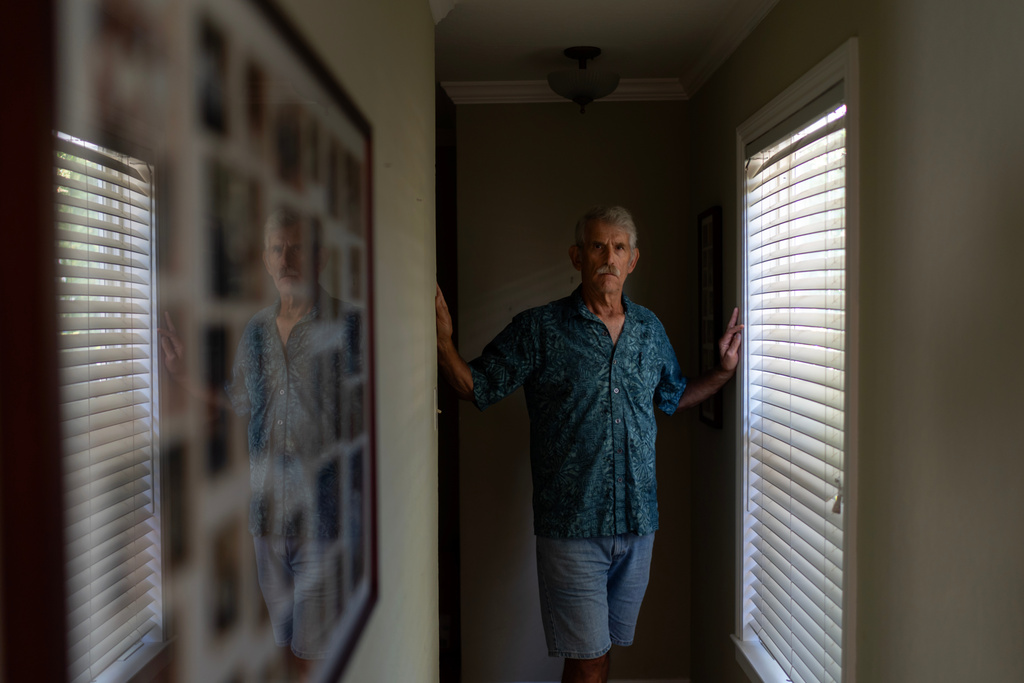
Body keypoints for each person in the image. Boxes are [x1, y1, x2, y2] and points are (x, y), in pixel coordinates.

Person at [435, 205, 743, 683]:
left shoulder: (648, 330)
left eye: (619, 248)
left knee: (601, 654)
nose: (608, 258)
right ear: (577, 256)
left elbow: (674, 395)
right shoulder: (540, 329)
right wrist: (443, 343)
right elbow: (477, 385)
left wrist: (723, 372)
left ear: (633, 260)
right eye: (598, 246)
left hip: (639, 524)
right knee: (589, 659)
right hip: (571, 528)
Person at [160, 209, 344, 679]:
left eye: (297, 248)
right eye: (277, 249)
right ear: (265, 259)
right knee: (284, 652)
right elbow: (236, 400)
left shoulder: (346, 328)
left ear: (319, 257)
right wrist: (183, 373)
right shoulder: (257, 331)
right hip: (265, 522)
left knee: (314, 660)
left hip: (321, 522)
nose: (287, 260)